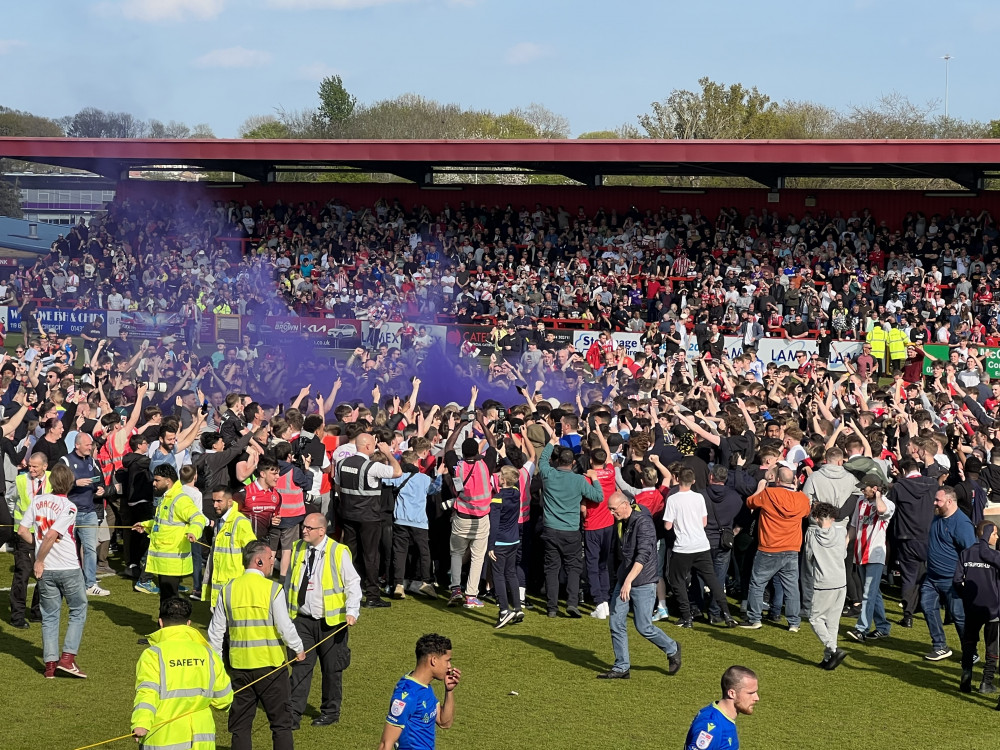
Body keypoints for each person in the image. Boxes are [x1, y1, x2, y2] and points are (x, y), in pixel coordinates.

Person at [208, 540, 305, 750]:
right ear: (259, 560)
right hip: (271, 667)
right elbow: (284, 627)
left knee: (240, 725)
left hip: (239, 668)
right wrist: (298, 649)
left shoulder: (228, 589)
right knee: (281, 724)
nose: (273, 563)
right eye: (271, 559)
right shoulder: (273, 589)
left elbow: (215, 633)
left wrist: (216, 664)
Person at [285, 512, 362, 728]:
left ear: (322, 531)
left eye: (309, 528)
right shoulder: (299, 547)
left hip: (332, 623)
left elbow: (353, 583)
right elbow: (291, 580)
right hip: (302, 620)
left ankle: (330, 711)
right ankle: (293, 714)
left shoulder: (338, 552)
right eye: (304, 527)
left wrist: (352, 611)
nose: (304, 530)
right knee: (300, 667)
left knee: (331, 670)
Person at [597, 491, 681, 679]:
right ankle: (621, 667)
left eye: (613, 509)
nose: (611, 513)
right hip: (625, 578)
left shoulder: (643, 524)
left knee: (643, 626)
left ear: (625, 505)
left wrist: (628, 581)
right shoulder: (625, 519)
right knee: (616, 621)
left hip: (642, 581)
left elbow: (642, 556)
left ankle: (672, 648)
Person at [17, 462, 88, 679]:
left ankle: (50, 665)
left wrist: (38, 551)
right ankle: (66, 658)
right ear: (68, 484)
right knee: (78, 609)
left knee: (49, 616)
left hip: (47, 570)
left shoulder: (37, 500)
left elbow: (22, 530)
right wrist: (39, 559)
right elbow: (51, 535)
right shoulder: (69, 506)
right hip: (66, 566)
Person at [132, 597, 233, 749]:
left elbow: (147, 692)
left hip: (163, 738)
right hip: (201, 738)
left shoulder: (153, 654)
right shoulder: (208, 653)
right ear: (188, 624)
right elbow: (223, 700)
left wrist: (141, 723)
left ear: (160, 623)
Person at [538, 424, 604, 618]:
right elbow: (598, 497)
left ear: (557, 461)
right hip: (571, 531)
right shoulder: (578, 480)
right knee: (573, 568)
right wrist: (596, 478)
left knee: (552, 568)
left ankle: (552, 607)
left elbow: (542, 459)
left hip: (551, 529)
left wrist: (551, 442)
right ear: (573, 462)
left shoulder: (549, 475)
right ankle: (572, 603)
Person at [663, 467, 737, 628]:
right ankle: (727, 614)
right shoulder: (699, 497)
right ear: (693, 481)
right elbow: (703, 522)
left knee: (677, 581)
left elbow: (668, 526)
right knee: (713, 581)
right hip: (701, 545)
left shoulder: (673, 499)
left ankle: (686, 616)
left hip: (683, 547)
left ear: (677, 478)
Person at [739, 466, 810, 631]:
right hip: (791, 548)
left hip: (769, 547)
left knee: (757, 584)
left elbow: (750, 502)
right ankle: (794, 622)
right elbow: (806, 512)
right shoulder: (802, 498)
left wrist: (761, 487)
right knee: (791, 587)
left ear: (777, 480)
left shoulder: (769, 494)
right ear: (793, 480)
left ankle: (754, 619)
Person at [335, 432, 401, 608]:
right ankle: (372, 595)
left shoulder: (341, 464)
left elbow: (338, 487)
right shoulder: (372, 467)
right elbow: (397, 472)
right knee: (371, 556)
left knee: (350, 555)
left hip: (348, 515)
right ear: (368, 447)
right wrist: (388, 453)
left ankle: (348, 591)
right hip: (369, 517)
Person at [132, 463, 208, 604]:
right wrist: (146, 525)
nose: (153, 483)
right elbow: (163, 523)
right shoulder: (167, 497)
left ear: (168, 481)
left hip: (172, 562)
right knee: (166, 600)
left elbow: (198, 518)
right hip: (164, 562)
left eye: (157, 480)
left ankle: (171, 624)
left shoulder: (180, 499)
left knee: (170, 601)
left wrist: (193, 532)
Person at [921, 485, 976, 662]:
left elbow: (970, 552)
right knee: (927, 606)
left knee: (959, 617)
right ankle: (940, 646)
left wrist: (965, 577)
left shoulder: (962, 524)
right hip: (932, 577)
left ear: (950, 501)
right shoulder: (937, 518)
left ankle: (971, 651)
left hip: (952, 579)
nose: (935, 503)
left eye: (938, 500)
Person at [377, 634, 461, 750]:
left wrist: (449, 691)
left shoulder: (424, 687)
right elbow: (385, 745)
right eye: (447, 661)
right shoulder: (406, 696)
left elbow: (444, 722)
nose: (449, 666)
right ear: (434, 660)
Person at [846, 474, 895, 642]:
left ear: (874, 489)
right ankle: (882, 626)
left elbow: (881, 510)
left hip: (875, 554)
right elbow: (854, 525)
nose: (861, 490)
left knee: (868, 593)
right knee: (874, 593)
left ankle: (862, 628)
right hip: (860, 553)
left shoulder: (887, 504)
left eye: (865, 488)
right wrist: (846, 543)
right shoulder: (861, 501)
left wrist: (878, 496)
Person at [954, 520, 1000, 695]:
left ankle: (965, 681)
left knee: (969, 645)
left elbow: (957, 581)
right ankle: (986, 683)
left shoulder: (965, 554)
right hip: (992, 610)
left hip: (971, 609)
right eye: (994, 534)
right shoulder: (995, 557)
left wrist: (967, 597)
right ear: (986, 534)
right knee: (992, 648)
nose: (997, 537)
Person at [804, 502, 848, 670]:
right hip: (840, 581)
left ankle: (833, 649)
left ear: (816, 518)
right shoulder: (841, 530)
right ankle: (828, 658)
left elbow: (809, 556)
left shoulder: (812, 534)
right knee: (832, 622)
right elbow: (843, 554)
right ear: (833, 517)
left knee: (815, 619)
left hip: (824, 583)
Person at [8, 451, 50, 629]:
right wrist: (19, 521)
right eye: (30, 466)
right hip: (24, 534)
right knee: (22, 574)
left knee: (43, 574)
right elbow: (10, 501)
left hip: (45, 534)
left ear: (44, 467)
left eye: (35, 466)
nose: (31, 469)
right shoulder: (20, 480)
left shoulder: (52, 479)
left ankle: (37, 612)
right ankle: (17, 616)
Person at [201, 485, 258, 608]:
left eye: (219, 501)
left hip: (234, 587)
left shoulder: (241, 522)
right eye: (213, 501)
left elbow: (253, 553)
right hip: (221, 586)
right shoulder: (219, 521)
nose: (215, 505)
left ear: (230, 502)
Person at [684, 665, 759, 750]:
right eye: (750, 693)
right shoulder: (712, 726)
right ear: (732, 693)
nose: (757, 698)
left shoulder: (724, 719)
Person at [488, 465, 524, 629]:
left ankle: (504, 611)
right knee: (511, 573)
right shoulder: (516, 492)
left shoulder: (497, 499)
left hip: (501, 542)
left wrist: (490, 546)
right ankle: (517, 608)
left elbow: (494, 525)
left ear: (503, 479)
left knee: (499, 576)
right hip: (513, 540)